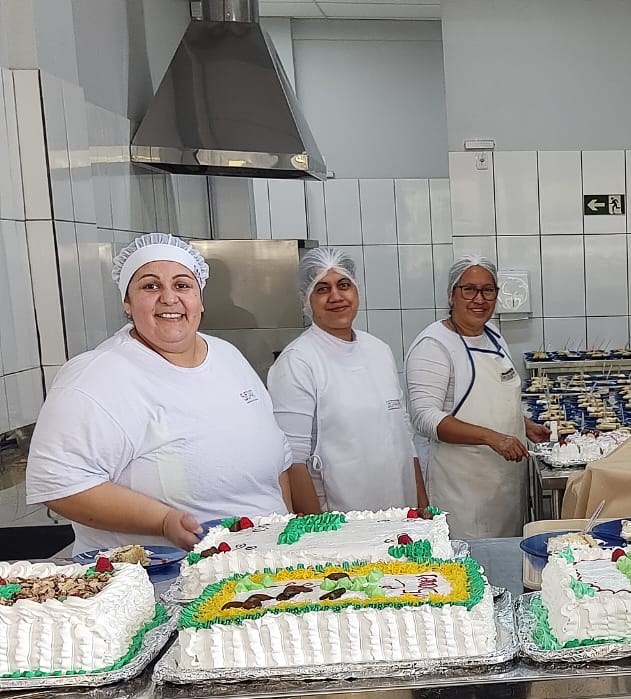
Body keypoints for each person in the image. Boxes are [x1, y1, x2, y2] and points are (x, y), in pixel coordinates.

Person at [25, 233, 293, 553]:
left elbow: (279, 461)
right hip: (163, 574)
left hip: (268, 564)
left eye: (182, 285)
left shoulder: (227, 356)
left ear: (199, 299)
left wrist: (290, 534)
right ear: (127, 303)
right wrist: (162, 521)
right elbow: (58, 483)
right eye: (150, 286)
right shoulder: (97, 376)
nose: (169, 298)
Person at [266, 247, 426, 515]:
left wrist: (421, 505)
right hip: (341, 522)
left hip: (400, 515)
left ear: (356, 290)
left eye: (343, 285)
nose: (336, 296)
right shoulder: (298, 361)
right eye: (322, 289)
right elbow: (292, 460)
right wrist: (320, 531)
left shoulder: (378, 350)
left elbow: (404, 435)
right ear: (306, 299)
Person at [404, 256, 549, 538]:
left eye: (487, 290)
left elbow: (493, 399)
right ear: (451, 294)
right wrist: (492, 438)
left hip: (503, 486)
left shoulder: (493, 335)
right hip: (460, 492)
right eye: (469, 290)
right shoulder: (433, 346)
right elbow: (424, 417)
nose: (479, 299)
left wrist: (523, 425)